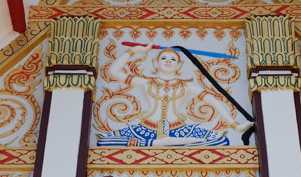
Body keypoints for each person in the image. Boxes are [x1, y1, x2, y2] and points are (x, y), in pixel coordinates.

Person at [97, 44, 252, 147]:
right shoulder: (145, 82)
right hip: (146, 129)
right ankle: (160, 143)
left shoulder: (187, 86)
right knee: (104, 141)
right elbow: (113, 72)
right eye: (163, 58)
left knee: (222, 141)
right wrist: (133, 51)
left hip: (178, 129)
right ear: (155, 63)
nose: (168, 61)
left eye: (173, 59)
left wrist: (235, 126)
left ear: (179, 65)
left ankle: (169, 141)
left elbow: (215, 102)